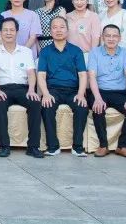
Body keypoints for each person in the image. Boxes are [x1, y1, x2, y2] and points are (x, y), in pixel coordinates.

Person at [0, 18, 44, 158]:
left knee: (35, 103)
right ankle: (4, 146)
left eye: (12, 30)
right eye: (5, 30)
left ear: (17, 32)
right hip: (2, 89)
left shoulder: (26, 51)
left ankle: (33, 146)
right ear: (0, 32)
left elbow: (31, 73)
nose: (8, 33)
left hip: (22, 88)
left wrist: (31, 90)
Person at [37, 17, 90, 156]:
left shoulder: (76, 51)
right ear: (50, 31)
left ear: (67, 30)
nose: (58, 30)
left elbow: (82, 75)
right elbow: (41, 76)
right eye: (55, 27)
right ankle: (53, 146)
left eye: (62, 27)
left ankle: (77, 147)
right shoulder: (45, 52)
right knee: (46, 106)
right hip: (52, 90)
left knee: (82, 107)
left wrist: (81, 94)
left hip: (73, 90)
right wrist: (46, 94)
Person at [86, 24, 126, 157]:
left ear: (119, 38)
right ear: (102, 37)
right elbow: (91, 77)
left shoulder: (125, 53)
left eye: (114, 36)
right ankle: (103, 146)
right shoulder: (95, 52)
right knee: (98, 109)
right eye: (108, 36)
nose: (111, 38)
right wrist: (97, 98)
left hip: (119, 92)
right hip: (99, 91)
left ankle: (122, 146)